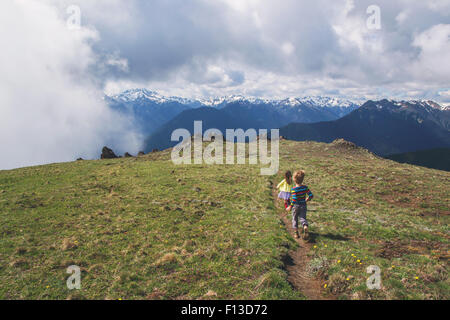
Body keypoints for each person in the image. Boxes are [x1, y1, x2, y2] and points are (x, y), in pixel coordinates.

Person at [286, 170, 314, 239]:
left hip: (296, 206)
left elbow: (294, 199)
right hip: (303, 205)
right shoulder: (305, 187)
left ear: (294, 180)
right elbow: (311, 195)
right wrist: (307, 200)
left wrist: (290, 206)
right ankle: (305, 226)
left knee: (294, 219)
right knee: (303, 218)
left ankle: (296, 233)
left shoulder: (294, 189)